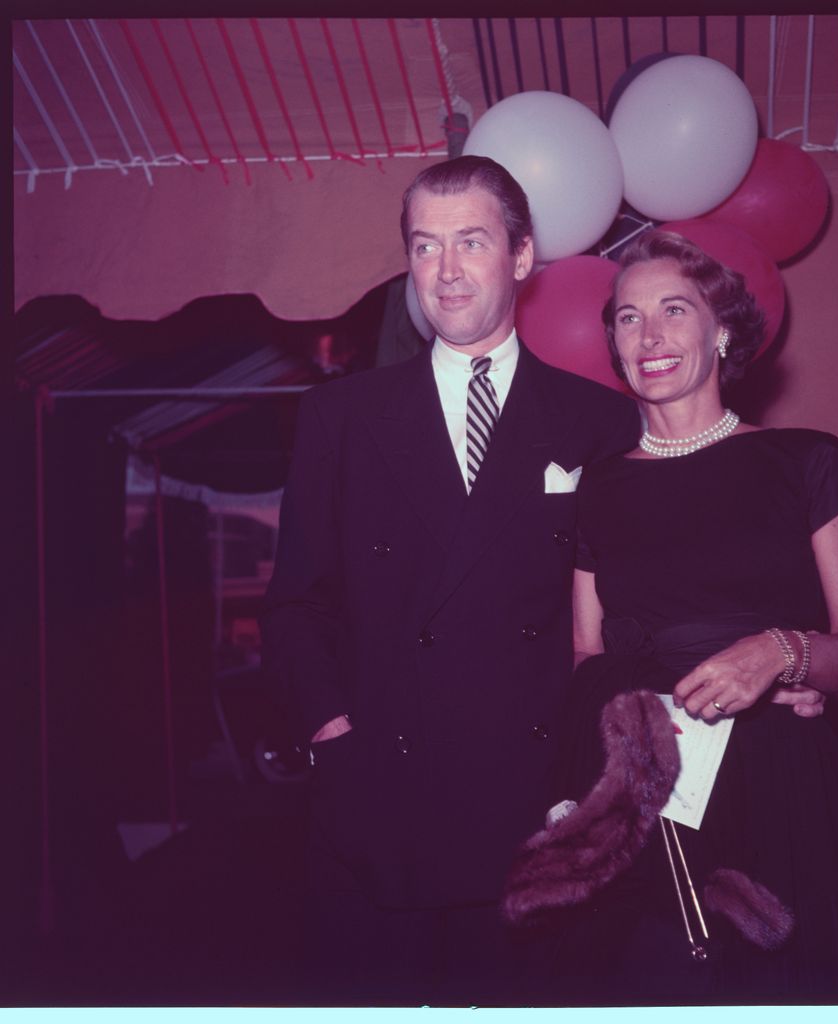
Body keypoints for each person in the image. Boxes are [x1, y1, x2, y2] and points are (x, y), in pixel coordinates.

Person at [259, 156, 642, 1005]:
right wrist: (333, 734)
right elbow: (294, 603)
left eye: (470, 242)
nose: (446, 270)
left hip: (538, 806)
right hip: (377, 805)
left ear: (521, 256)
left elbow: (637, 607)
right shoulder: (341, 416)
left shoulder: (600, 420)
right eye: (425, 246)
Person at [534, 229, 838, 1001]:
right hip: (637, 780)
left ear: (724, 330)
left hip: (774, 779)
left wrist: (780, 653)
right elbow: (582, 650)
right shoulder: (595, 488)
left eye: (675, 310)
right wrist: (618, 748)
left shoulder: (807, 461)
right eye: (628, 318)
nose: (650, 336)